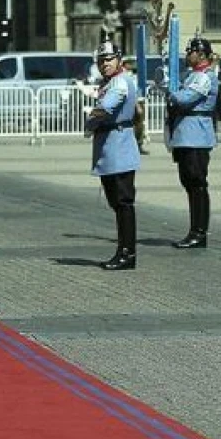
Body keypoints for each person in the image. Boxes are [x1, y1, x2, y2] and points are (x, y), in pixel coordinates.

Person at [84, 40, 140, 270]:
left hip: (119, 147)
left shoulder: (119, 83)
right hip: (110, 147)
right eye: (101, 60)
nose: (104, 64)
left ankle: (127, 252)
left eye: (108, 59)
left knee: (123, 202)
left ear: (118, 59)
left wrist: (90, 120)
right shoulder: (110, 82)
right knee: (117, 203)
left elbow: (105, 108)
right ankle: (123, 250)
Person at [167, 33, 218, 249]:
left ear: (202, 54)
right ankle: (194, 229)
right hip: (185, 135)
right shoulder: (192, 75)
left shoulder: (205, 76)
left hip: (196, 135)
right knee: (189, 184)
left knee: (197, 184)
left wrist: (170, 89)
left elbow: (185, 99)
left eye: (192, 52)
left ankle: (200, 231)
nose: (188, 55)